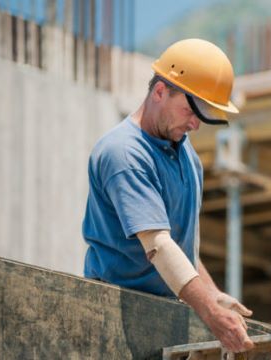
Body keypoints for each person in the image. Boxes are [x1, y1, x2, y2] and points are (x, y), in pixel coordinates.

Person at [82, 39, 254, 352]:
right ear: (160, 91)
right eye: (190, 110)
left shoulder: (187, 157)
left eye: (202, 116)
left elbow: (178, 247)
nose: (195, 124)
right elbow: (158, 245)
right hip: (113, 315)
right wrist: (210, 313)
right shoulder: (124, 154)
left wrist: (213, 295)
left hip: (161, 315)